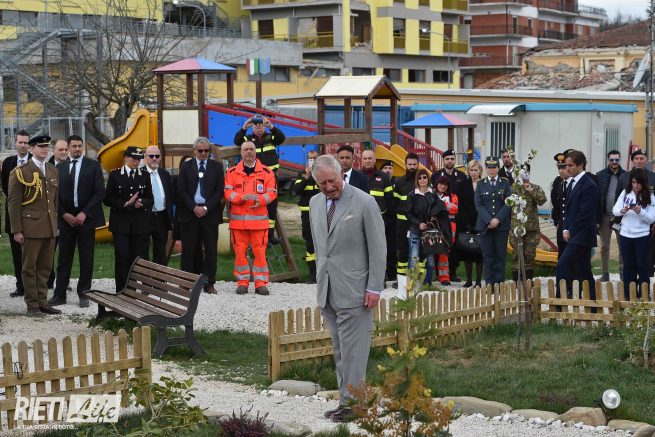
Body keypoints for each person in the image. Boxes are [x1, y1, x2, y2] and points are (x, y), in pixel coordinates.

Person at [308, 154, 385, 423]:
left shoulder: (365, 202)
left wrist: (374, 287)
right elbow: (320, 247)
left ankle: (355, 404)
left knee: (354, 352)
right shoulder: (315, 203)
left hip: (356, 291)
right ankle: (345, 402)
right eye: (322, 183)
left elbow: (378, 249)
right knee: (340, 351)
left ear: (341, 174)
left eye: (332, 181)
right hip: (328, 290)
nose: (329, 187)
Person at [48, 134, 105, 308]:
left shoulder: (93, 166)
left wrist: (84, 213)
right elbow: (54, 195)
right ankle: (60, 294)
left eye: (80, 146)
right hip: (66, 221)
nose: (77, 149)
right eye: (74, 146)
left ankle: (84, 293)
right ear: (68, 148)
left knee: (86, 258)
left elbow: (99, 192)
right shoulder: (60, 168)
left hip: (86, 220)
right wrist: (64, 214)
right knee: (63, 259)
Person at [7, 135, 61, 316]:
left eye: (47, 146)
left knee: (45, 268)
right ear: (31, 149)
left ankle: (43, 302)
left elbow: (55, 202)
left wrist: (56, 224)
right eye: (40, 146)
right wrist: (17, 230)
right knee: (29, 268)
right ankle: (32, 305)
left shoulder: (53, 170)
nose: (45, 149)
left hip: (49, 227)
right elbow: (13, 203)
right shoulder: (20, 172)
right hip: (30, 228)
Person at [225, 141, 277, 295]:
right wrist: (240, 198)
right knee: (240, 253)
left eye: (251, 149)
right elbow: (227, 192)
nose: (249, 152)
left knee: (260, 253)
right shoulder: (232, 173)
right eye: (246, 149)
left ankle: (261, 283)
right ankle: (242, 283)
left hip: (259, 223)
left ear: (255, 152)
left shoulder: (267, 172)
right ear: (241, 153)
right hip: (238, 223)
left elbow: (272, 192)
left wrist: (260, 200)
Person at [178, 137, 225, 294]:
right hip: (190, 213)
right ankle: (187, 282)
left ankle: (209, 283)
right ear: (194, 151)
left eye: (206, 151)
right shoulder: (186, 167)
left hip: (209, 214)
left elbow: (219, 191)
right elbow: (181, 190)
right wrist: (194, 207)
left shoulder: (217, 167)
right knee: (189, 250)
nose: (204, 153)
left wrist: (205, 207)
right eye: (200, 150)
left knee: (210, 250)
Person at [104, 146, 153, 292]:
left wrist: (142, 202)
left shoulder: (145, 175)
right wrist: (125, 203)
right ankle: (122, 289)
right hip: (121, 224)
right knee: (122, 255)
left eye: (139, 159)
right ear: (125, 158)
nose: (136, 161)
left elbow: (150, 199)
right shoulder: (115, 175)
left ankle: (135, 288)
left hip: (139, 224)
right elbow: (107, 199)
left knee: (137, 257)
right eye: (133, 158)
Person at [234, 115, 285, 244]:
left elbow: (281, 138)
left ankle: (270, 235)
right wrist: (244, 127)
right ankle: (257, 235)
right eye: (256, 125)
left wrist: (271, 126)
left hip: (271, 177)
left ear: (264, 126)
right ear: (253, 127)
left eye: (261, 125)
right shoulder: (247, 139)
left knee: (272, 204)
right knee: (256, 204)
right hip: (255, 177)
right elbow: (237, 141)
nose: (258, 127)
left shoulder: (271, 137)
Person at [556, 150, 598, 303]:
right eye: (566, 165)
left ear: (581, 165)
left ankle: (559, 303)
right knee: (584, 270)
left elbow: (585, 213)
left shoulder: (589, 185)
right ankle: (592, 305)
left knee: (563, 263)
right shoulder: (572, 183)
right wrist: (565, 228)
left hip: (583, 234)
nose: (567, 168)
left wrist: (571, 230)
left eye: (570, 165)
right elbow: (567, 210)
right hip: (574, 232)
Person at [613, 168, 655, 300]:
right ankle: (629, 295)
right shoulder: (625, 193)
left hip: (642, 236)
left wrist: (640, 211)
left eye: (638, 183)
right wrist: (623, 210)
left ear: (644, 183)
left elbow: (651, 219)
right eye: (633, 182)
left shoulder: (651, 196)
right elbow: (615, 210)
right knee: (628, 266)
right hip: (625, 235)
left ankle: (644, 295)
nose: (635, 185)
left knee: (642, 266)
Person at [405, 169, 450, 286]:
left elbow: (440, 209)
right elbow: (408, 213)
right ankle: (411, 283)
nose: (422, 180)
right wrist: (418, 223)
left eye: (424, 177)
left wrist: (433, 219)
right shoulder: (412, 195)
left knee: (430, 259)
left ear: (428, 179)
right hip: (415, 230)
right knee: (414, 257)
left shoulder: (433, 194)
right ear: (417, 180)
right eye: (420, 178)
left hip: (430, 231)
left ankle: (427, 283)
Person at [2, 130, 31, 298]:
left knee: (32, 252)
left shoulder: (35, 162)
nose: (23, 145)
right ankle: (20, 286)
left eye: (26, 142)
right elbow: (6, 188)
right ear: (15, 143)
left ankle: (34, 285)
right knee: (16, 253)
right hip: (12, 214)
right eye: (20, 142)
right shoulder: (8, 163)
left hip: (32, 214)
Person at [475, 157, 512, 287]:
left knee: (500, 256)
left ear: (498, 168)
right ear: (486, 168)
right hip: (485, 226)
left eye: (494, 167)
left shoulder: (505, 183)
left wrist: (498, 219)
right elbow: (479, 205)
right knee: (488, 256)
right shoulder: (480, 184)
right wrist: (489, 220)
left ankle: (499, 284)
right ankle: (489, 285)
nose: (491, 170)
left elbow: (509, 202)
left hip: (501, 226)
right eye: (489, 167)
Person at [431, 149, 465, 281]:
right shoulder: (436, 175)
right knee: (438, 245)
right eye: (447, 159)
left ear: (455, 160)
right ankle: (438, 274)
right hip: (439, 219)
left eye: (452, 159)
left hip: (455, 218)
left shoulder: (461, 176)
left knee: (454, 247)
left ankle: (453, 272)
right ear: (443, 160)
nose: (450, 161)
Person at [361, 149, 395, 281]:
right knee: (363, 248)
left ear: (375, 160)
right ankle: (364, 276)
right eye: (365, 158)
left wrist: (388, 219)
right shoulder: (357, 176)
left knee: (379, 248)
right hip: (361, 219)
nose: (367, 161)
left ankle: (381, 276)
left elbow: (390, 200)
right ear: (361, 160)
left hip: (380, 219)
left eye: (370, 158)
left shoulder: (384, 177)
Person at [509, 164, 546, 281]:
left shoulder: (535, 187)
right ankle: (516, 280)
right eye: (522, 173)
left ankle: (529, 280)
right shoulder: (513, 189)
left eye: (526, 172)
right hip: (516, 228)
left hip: (531, 229)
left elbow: (542, 200)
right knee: (516, 254)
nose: (524, 175)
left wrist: (530, 190)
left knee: (529, 254)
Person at [393, 153, 420, 293]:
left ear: (418, 165)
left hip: (417, 224)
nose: (412, 167)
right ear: (405, 165)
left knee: (416, 253)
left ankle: (415, 279)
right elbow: (395, 202)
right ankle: (401, 280)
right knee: (402, 252)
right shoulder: (399, 182)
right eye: (410, 164)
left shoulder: (422, 181)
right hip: (402, 223)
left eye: (414, 164)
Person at [597, 150, 625, 282]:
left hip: (620, 217)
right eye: (612, 160)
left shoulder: (626, 175)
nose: (614, 162)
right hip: (605, 216)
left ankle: (622, 272)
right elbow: (597, 197)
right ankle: (605, 273)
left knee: (622, 246)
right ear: (608, 160)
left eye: (616, 160)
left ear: (620, 160)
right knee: (604, 247)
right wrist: (596, 218)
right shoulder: (600, 175)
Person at [46, 138, 71, 289]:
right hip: (49, 217)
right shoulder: (45, 167)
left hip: (68, 218)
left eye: (66, 149)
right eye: (60, 149)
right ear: (53, 150)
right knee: (48, 251)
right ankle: (48, 281)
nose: (64, 152)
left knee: (66, 253)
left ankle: (63, 283)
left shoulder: (73, 166)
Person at [142, 146, 172, 265]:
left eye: (157, 156)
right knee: (143, 250)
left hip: (161, 216)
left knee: (160, 251)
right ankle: (145, 276)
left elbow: (169, 195)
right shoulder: (140, 174)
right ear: (146, 157)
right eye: (151, 156)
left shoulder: (165, 174)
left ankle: (159, 276)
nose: (154, 158)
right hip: (145, 217)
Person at [293, 150, 320, 283]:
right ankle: (312, 275)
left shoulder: (323, 173)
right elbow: (296, 190)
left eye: (315, 158)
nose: (313, 161)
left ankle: (324, 274)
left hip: (322, 213)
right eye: (310, 159)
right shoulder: (302, 174)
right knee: (310, 244)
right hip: (307, 215)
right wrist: (307, 177)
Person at [457, 160, 484, 288]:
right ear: (468, 171)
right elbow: (461, 204)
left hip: (481, 221)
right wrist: (466, 223)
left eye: (476, 170)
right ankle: (468, 280)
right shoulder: (463, 184)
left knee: (479, 253)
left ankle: (478, 281)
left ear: (480, 171)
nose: (473, 173)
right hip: (466, 222)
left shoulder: (484, 184)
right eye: (471, 170)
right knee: (467, 251)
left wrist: (482, 222)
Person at [434, 176, 458, 285]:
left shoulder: (452, 196)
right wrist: (445, 206)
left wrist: (439, 205)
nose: (443, 186)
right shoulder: (431, 194)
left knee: (444, 252)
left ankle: (444, 277)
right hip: (433, 225)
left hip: (447, 226)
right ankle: (430, 276)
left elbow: (454, 209)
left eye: (445, 185)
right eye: (441, 184)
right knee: (429, 250)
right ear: (436, 184)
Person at [550, 152, 570, 257]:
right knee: (561, 255)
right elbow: (555, 202)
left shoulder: (576, 182)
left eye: (563, 167)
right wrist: (557, 220)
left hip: (573, 225)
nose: (561, 170)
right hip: (561, 223)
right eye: (559, 168)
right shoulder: (558, 182)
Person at [380, 160, 397, 281]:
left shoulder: (398, 182)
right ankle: (382, 272)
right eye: (385, 168)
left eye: (390, 168)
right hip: (381, 218)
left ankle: (391, 273)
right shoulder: (378, 182)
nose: (387, 170)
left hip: (394, 220)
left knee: (392, 247)